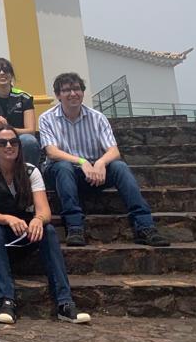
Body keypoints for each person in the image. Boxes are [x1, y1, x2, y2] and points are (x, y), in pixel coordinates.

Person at [0, 127, 91, 325]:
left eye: (13, 142)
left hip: (22, 232)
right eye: (2, 143)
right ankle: (6, 300)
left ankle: (65, 303)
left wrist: (37, 219)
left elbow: (44, 211)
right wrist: (8, 219)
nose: (9, 146)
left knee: (49, 230)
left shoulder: (30, 170)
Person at [40, 72, 169, 248]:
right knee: (63, 167)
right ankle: (74, 226)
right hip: (62, 173)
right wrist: (82, 162)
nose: (73, 94)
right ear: (58, 95)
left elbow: (113, 151)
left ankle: (144, 226)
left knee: (120, 167)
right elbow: (52, 152)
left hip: (95, 173)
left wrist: (100, 163)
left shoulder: (97, 118)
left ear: (83, 92)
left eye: (77, 89)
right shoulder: (47, 118)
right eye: (67, 90)